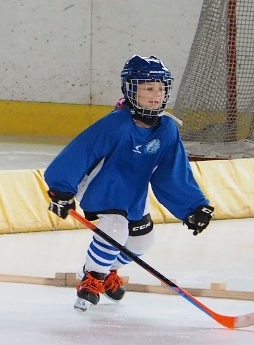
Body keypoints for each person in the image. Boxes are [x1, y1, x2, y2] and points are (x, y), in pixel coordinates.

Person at [43, 55, 215, 312]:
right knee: (115, 227)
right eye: (148, 88)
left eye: (160, 88)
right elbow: (80, 153)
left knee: (142, 241)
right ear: (131, 89)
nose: (156, 94)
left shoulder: (167, 129)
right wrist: (62, 189)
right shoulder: (116, 125)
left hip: (133, 190)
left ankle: (106, 270)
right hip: (102, 185)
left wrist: (193, 206)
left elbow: (172, 173)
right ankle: (92, 278)